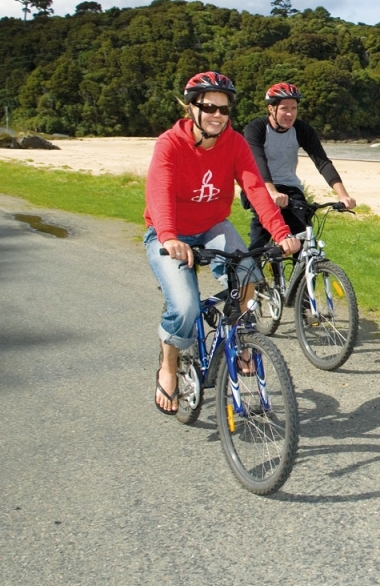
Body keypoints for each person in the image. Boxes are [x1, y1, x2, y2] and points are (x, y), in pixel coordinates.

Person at [145, 71, 300, 415]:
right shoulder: (169, 144)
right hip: (168, 234)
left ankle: (240, 339)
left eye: (224, 110)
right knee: (185, 308)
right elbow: (159, 193)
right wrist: (169, 237)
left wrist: (281, 233)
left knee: (248, 275)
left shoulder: (234, 143)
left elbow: (255, 188)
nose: (217, 115)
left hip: (213, 225)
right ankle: (168, 368)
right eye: (209, 107)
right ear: (191, 108)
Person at [243, 82, 356, 251]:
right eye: (284, 108)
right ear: (271, 109)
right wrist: (272, 192)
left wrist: (343, 195)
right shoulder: (256, 129)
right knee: (260, 240)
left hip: (289, 187)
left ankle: (304, 275)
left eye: (294, 108)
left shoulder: (301, 129)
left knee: (303, 238)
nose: (290, 114)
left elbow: (322, 161)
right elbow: (259, 162)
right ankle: (253, 271)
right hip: (261, 187)